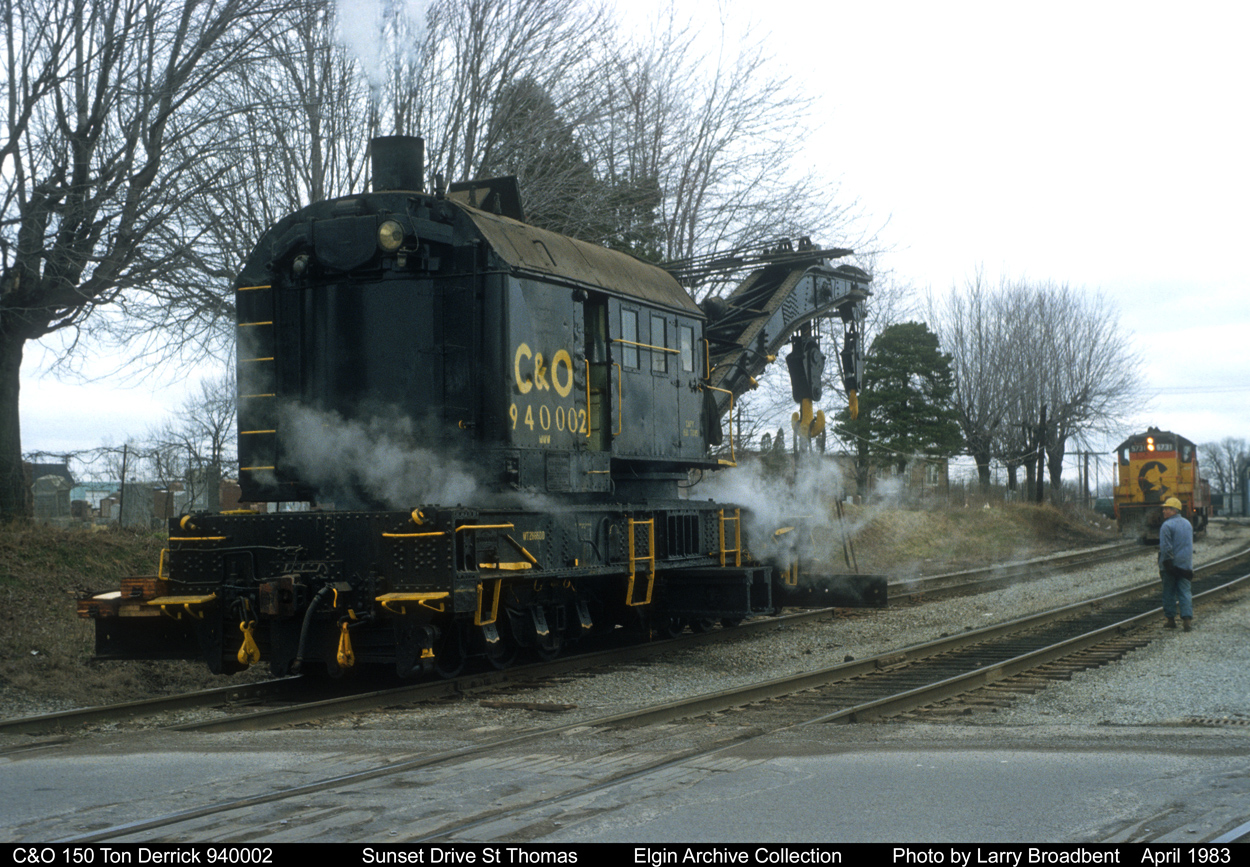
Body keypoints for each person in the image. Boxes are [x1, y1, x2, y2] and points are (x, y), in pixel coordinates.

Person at [1158, 496, 1195, 631]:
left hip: (1170, 566)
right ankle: (1187, 621)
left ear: (1174, 510)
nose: (1164, 511)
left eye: (1166, 509)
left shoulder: (1166, 526)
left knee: (1168, 592)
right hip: (1185, 566)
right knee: (1185, 592)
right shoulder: (1187, 524)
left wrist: (1168, 565)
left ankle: (1171, 620)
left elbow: (1166, 548)